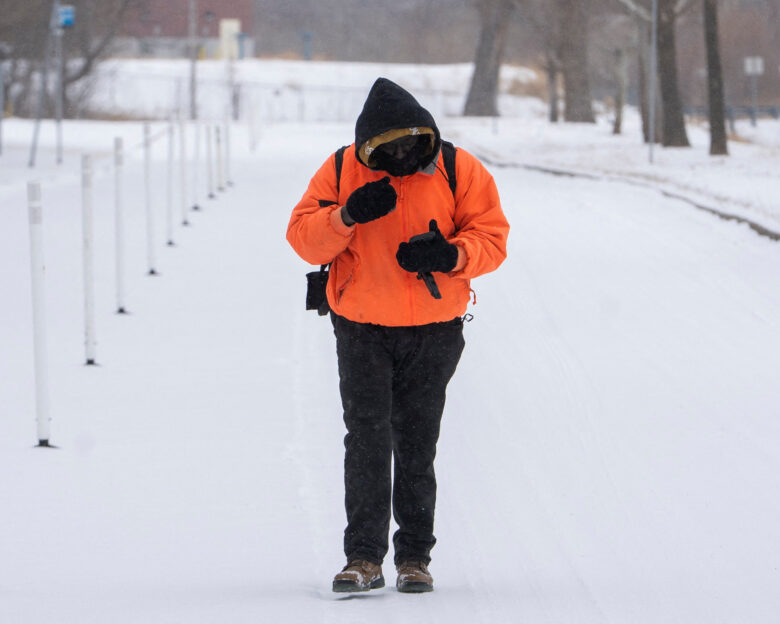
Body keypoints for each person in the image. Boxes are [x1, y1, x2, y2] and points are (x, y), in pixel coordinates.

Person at [287, 77, 509, 593]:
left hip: (434, 332)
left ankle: (415, 559)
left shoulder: (459, 169)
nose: (402, 158)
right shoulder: (342, 169)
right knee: (366, 440)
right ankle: (363, 558)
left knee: (416, 442)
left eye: (411, 146)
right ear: (368, 147)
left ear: (426, 136)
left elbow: (492, 238)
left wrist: (449, 255)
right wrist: (346, 214)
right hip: (361, 328)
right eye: (387, 151)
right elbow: (304, 239)